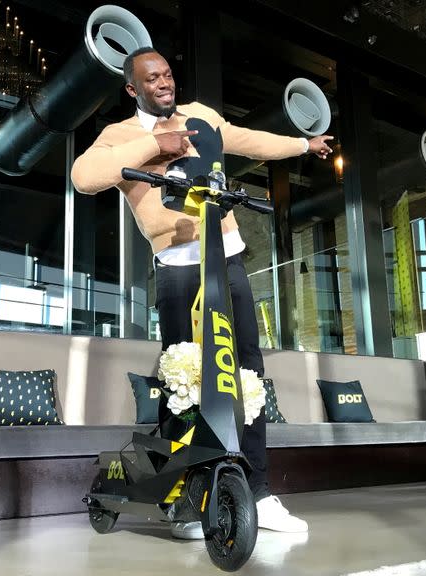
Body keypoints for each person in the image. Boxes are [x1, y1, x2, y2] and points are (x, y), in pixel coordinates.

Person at [71, 47, 333, 539]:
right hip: (176, 269)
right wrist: (155, 146)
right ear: (133, 89)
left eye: (167, 74)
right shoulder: (119, 136)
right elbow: (83, 177)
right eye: (152, 79)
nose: (164, 83)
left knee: (248, 374)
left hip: (226, 260)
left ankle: (257, 490)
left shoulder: (201, 117)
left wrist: (303, 145)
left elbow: (247, 141)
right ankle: (189, 498)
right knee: (184, 380)